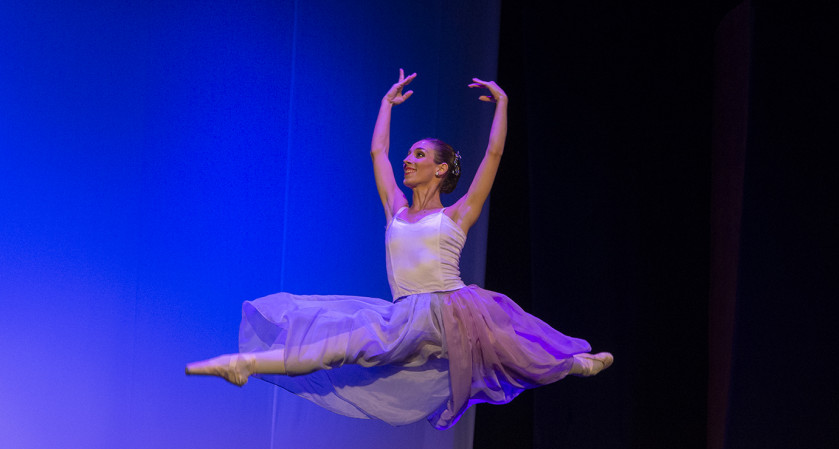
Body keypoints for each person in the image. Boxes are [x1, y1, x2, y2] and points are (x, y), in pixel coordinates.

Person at [186, 69, 612, 429]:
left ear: (440, 169)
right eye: (409, 153)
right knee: (333, 349)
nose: (409, 159)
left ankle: (577, 364)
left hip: (453, 310)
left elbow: (494, 154)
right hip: (404, 316)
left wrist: (502, 104)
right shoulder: (395, 210)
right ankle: (246, 364)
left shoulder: (457, 215)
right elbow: (378, 152)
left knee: (515, 352)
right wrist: (386, 105)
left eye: (420, 154)